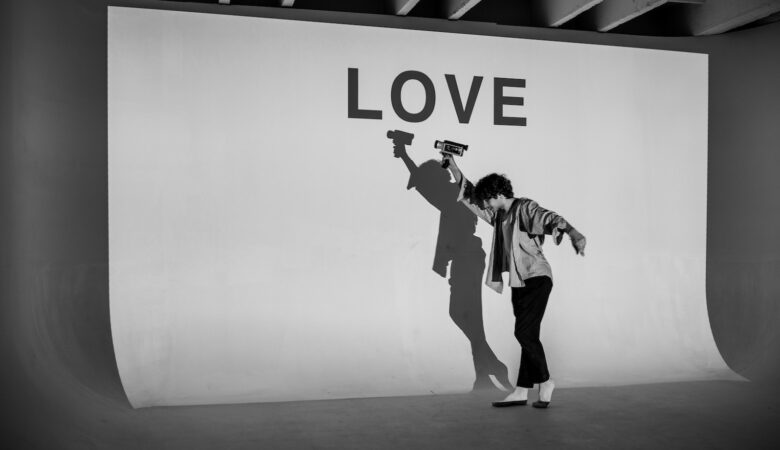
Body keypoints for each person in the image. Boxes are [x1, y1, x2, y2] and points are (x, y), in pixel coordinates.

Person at [441, 153, 586, 409]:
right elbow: (472, 198)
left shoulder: (525, 207)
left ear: (498, 194)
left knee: (523, 333)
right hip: (519, 282)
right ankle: (521, 391)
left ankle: (545, 381)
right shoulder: (499, 216)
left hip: (537, 278)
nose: (486, 203)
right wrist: (453, 167)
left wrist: (573, 233)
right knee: (528, 335)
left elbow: (549, 217)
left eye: (489, 198)